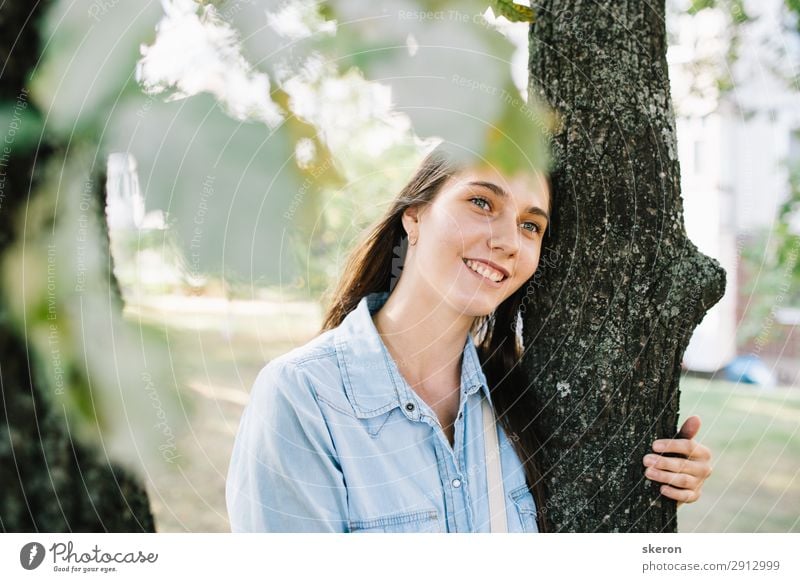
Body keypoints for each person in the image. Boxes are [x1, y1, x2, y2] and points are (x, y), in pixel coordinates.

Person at [225, 148, 713, 533]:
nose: (508, 241)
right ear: (414, 215)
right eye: (482, 202)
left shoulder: (519, 399)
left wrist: (666, 472)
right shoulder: (302, 397)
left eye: (531, 226)